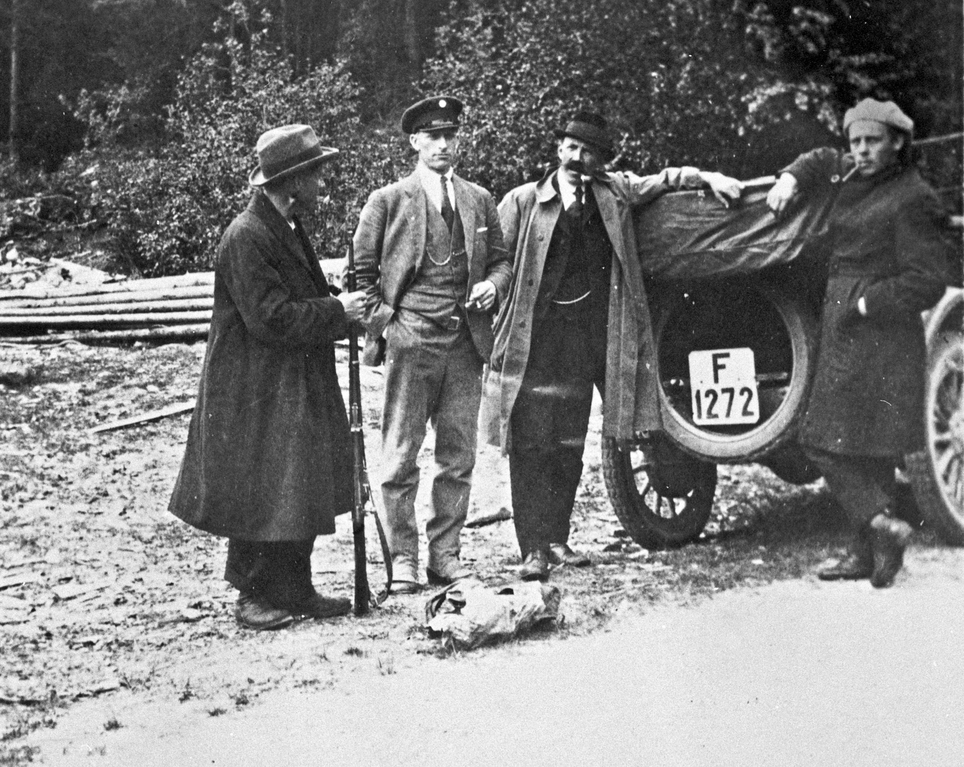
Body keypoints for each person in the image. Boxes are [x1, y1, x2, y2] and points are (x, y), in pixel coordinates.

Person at [487, 112, 742, 580]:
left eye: (586, 152)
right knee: (531, 443)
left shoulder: (614, 192)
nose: (575, 159)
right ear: (557, 151)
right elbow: (497, 262)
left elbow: (664, 181)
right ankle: (532, 549)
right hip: (538, 339)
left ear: (601, 161)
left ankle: (558, 539)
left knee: (569, 440)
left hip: (589, 335)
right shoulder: (522, 201)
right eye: (568, 147)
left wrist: (708, 177)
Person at [168, 124, 367, 630]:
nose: (324, 183)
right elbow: (271, 318)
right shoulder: (246, 236)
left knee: (297, 483)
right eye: (317, 174)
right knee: (260, 487)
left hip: (290, 378)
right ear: (293, 182)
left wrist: (330, 301)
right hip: (253, 386)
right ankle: (253, 594)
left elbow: (294, 300)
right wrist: (337, 310)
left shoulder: (288, 226)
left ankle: (294, 586)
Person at [767, 98, 952, 588]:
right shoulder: (848, 172)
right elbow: (821, 160)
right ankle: (869, 553)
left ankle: (879, 527)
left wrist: (869, 304)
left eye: (873, 142)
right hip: (845, 321)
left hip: (881, 331)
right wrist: (790, 177)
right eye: (856, 142)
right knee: (858, 443)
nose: (862, 151)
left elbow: (928, 280)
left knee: (826, 439)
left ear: (897, 143)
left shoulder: (913, 197)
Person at [352, 95, 512, 593]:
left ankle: (446, 557)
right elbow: (360, 274)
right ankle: (402, 560)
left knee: (458, 457)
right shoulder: (388, 200)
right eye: (433, 136)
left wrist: (494, 285)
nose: (443, 145)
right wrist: (390, 325)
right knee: (399, 455)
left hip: (465, 344)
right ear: (414, 142)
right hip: (411, 341)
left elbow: (502, 262)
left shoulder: (479, 198)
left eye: (451, 135)